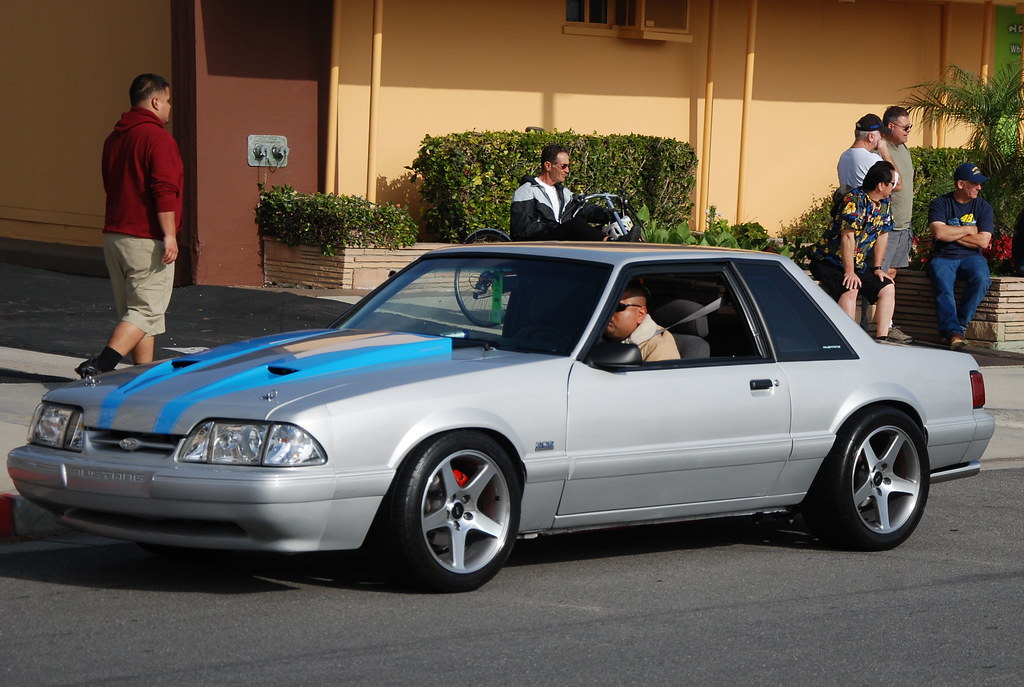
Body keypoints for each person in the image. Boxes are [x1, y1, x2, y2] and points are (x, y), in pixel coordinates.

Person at [76, 74, 184, 378]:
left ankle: (142, 376)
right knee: (146, 310)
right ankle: (102, 365)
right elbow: (164, 190)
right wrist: (170, 234)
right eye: (168, 100)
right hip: (145, 238)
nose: (170, 107)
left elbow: (110, 184)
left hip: (115, 236)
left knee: (136, 314)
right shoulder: (158, 138)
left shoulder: (114, 139)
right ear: (155, 101)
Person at [810, 160, 899, 341]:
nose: (895, 187)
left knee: (887, 287)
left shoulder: (885, 202)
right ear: (881, 185)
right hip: (830, 260)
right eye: (892, 183)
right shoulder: (855, 200)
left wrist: (877, 268)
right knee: (851, 287)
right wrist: (849, 272)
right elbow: (847, 237)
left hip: (857, 262)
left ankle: (882, 339)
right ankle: (849, 341)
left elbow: (882, 235)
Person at [927, 162, 993, 350]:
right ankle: (953, 333)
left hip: (972, 257)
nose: (979, 187)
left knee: (981, 278)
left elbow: (983, 242)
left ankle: (959, 327)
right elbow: (939, 234)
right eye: (975, 183)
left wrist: (952, 233)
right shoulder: (940, 203)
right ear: (960, 184)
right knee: (942, 282)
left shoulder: (983, 207)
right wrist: (969, 230)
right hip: (943, 256)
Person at [509, 144, 614, 241]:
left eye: (568, 166)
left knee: (603, 228)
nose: (567, 171)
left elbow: (584, 209)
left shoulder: (563, 192)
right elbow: (521, 228)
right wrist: (556, 228)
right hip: (539, 245)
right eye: (563, 166)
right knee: (576, 224)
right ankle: (609, 242)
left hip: (561, 243)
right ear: (548, 166)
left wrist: (611, 214)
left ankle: (619, 241)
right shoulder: (526, 191)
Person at [877, 105, 916, 344]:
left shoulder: (902, 147)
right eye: (906, 127)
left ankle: (887, 325)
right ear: (890, 126)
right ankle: (873, 326)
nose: (909, 131)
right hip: (886, 227)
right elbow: (894, 181)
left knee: (892, 273)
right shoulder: (881, 149)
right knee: (878, 274)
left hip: (904, 225)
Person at [604, 282, 680, 362]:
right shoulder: (597, 335)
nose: (608, 312)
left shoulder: (660, 349)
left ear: (641, 314)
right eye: (606, 306)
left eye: (618, 307)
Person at [837, 114, 901, 192]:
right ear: (871, 136)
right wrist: (885, 153)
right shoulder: (872, 159)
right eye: (880, 135)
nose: (882, 138)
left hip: (848, 202)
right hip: (866, 203)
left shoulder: (844, 156)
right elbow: (898, 184)